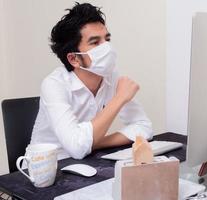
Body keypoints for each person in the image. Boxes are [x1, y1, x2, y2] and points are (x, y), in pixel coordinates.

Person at [29, 2, 153, 160]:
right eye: (95, 42)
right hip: (48, 168)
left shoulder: (111, 76)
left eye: (107, 39)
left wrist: (97, 142)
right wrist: (120, 98)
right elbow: (76, 147)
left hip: (88, 158)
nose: (106, 47)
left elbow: (144, 127)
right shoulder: (53, 84)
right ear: (74, 58)